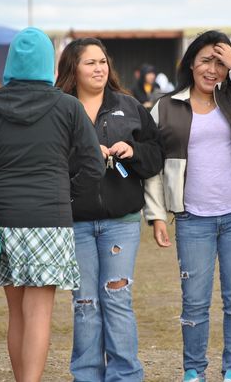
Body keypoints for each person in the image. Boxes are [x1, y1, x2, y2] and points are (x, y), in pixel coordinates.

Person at [0, 27, 105, 382]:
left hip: (5, 219)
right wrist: (66, 194)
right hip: (51, 218)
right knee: (39, 314)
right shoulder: (69, 106)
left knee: (16, 314)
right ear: (48, 63)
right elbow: (93, 166)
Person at [144, 30, 231, 382]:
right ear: (190, 64)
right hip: (192, 219)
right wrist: (156, 215)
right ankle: (193, 371)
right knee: (194, 301)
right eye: (205, 61)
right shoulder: (166, 107)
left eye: (220, 62)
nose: (212, 69)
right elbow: (152, 167)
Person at [55, 38, 164, 381]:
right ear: (73, 68)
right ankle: (86, 376)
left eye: (102, 61)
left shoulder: (128, 106)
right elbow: (47, 161)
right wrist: (84, 157)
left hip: (122, 222)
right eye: (90, 62)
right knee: (85, 304)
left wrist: (133, 151)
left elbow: (156, 155)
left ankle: (125, 375)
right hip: (75, 222)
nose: (99, 68)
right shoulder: (58, 108)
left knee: (117, 300)